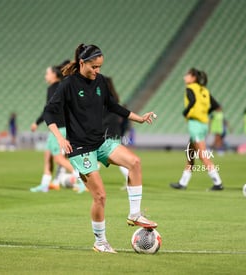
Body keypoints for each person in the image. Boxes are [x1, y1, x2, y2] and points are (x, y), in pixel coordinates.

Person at [43, 44, 158, 253]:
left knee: (135, 162)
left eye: (100, 67)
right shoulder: (68, 84)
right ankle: (100, 242)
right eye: (94, 67)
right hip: (80, 147)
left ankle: (134, 214)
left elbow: (112, 105)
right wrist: (60, 138)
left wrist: (139, 118)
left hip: (100, 141)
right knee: (100, 196)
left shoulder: (100, 81)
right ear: (82, 63)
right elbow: (49, 112)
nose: (97, 71)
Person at [30, 62, 85, 193]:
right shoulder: (62, 87)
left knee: (58, 158)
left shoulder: (54, 88)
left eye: (47, 73)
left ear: (54, 75)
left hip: (59, 127)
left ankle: (81, 179)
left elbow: (48, 109)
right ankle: (44, 185)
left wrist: (37, 122)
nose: (46, 76)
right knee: (47, 155)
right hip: (58, 127)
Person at [170, 68, 223, 191]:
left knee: (202, 155)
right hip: (203, 124)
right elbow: (216, 105)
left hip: (195, 124)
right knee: (190, 154)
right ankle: (183, 183)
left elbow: (192, 101)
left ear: (193, 77)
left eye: (187, 75)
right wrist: (205, 113)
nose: (184, 77)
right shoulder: (204, 90)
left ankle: (218, 182)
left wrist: (185, 112)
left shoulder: (190, 88)